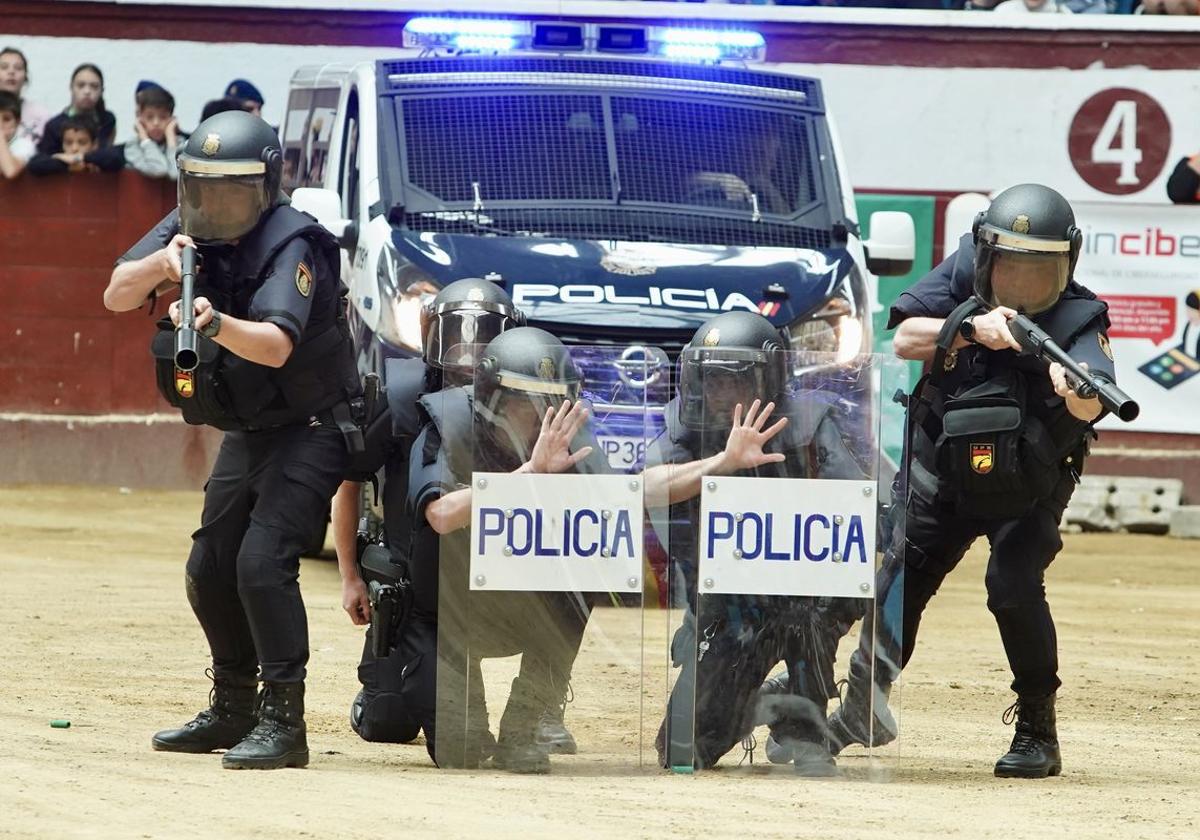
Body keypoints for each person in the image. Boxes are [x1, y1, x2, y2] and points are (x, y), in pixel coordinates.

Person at [827, 183, 1117, 779]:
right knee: (903, 579)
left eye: (1041, 270)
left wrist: (1078, 391)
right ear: (986, 256)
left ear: (1068, 264)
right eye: (1011, 266)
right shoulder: (960, 274)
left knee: (1013, 585)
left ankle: (1039, 730)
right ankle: (863, 707)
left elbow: (1095, 394)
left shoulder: (1082, 315)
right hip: (944, 467)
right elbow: (905, 338)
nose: (1023, 282)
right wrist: (969, 328)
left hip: (1030, 481)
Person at [102, 109, 363, 771]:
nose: (214, 201)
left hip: (313, 425)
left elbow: (276, 346)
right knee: (209, 567)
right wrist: (161, 262)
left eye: (231, 187)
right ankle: (233, 705)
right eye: (203, 186)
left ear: (265, 184)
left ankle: (285, 720)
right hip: (251, 427)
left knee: (261, 559)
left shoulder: (292, 242)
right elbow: (114, 293)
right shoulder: (191, 221)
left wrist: (214, 323)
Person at [644, 310, 869, 776]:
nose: (720, 393)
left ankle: (806, 730)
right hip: (729, 608)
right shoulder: (687, 432)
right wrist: (724, 462)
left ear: (767, 381)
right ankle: (770, 699)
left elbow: (859, 517)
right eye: (711, 380)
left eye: (734, 381)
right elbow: (644, 489)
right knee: (682, 752)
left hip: (807, 600)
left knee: (806, 612)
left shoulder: (808, 424)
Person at [330, 279, 547, 750]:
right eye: (457, 338)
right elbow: (349, 482)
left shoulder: (527, 396)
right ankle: (393, 682)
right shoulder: (401, 395)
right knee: (390, 724)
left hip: (497, 576)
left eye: (485, 339)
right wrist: (350, 577)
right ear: (433, 337)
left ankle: (537, 710)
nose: (468, 354)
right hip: (418, 584)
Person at [417, 327, 608, 773]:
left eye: (549, 402)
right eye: (523, 401)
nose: (537, 415)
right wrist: (530, 473)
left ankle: (526, 723)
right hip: (448, 608)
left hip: (525, 604)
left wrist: (720, 464)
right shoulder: (451, 421)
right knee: (457, 749)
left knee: (583, 584)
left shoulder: (571, 438)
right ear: (493, 400)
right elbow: (441, 515)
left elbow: (629, 496)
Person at [37, 63, 116, 156]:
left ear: (102, 91)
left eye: (94, 86)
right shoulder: (54, 125)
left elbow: (107, 153)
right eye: (81, 85)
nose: (87, 91)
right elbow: (43, 161)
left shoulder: (107, 120)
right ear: (71, 88)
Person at [26, 114, 123, 176]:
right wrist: (66, 165)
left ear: (94, 144)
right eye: (68, 143)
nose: (74, 148)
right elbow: (34, 164)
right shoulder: (60, 161)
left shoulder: (103, 160)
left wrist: (80, 158)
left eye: (82, 143)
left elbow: (115, 157)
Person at [124, 81, 182, 180]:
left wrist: (171, 141)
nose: (156, 123)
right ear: (140, 119)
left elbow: (175, 174)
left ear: (172, 120)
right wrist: (145, 140)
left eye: (163, 117)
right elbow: (159, 170)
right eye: (149, 117)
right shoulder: (133, 146)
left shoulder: (180, 143)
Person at [0, 46, 50, 147]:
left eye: (18, 68)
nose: (11, 72)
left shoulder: (41, 115)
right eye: (4, 67)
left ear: (25, 77)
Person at [0, 91, 35, 179]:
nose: (0, 124)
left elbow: (10, 171)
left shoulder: (24, 145)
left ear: (18, 122)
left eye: (6, 119)